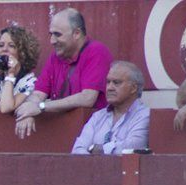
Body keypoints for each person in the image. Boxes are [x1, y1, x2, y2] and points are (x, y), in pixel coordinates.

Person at [15, 8, 113, 139]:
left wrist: (41, 106)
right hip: (62, 133)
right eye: (51, 34)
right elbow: (38, 94)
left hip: (94, 134)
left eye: (58, 34)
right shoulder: (55, 57)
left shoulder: (96, 51)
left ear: (77, 33)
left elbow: (87, 98)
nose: (52, 41)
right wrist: (28, 112)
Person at [71, 61, 149, 155]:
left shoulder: (145, 116)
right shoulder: (98, 116)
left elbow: (133, 147)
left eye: (116, 83)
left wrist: (99, 149)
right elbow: (77, 150)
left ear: (133, 88)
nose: (109, 88)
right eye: (108, 82)